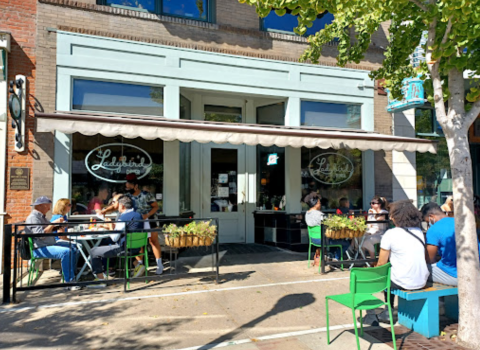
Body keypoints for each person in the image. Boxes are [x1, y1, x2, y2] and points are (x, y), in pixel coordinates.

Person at [374, 199, 429, 324]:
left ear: (395, 217)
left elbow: (381, 263)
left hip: (402, 282)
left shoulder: (391, 234)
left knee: (386, 273)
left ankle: (388, 311)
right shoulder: (419, 232)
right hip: (421, 280)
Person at [25, 196, 80, 291]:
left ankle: (69, 275)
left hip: (48, 244)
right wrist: (53, 223)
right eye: (48, 206)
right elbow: (41, 235)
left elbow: (48, 230)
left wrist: (57, 226)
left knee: (73, 247)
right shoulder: (33, 218)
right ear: (41, 206)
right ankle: (69, 282)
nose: (49, 209)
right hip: (40, 248)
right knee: (66, 252)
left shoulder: (41, 217)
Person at [89, 196, 144, 287]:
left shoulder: (124, 217)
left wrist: (110, 225)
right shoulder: (138, 215)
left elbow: (114, 238)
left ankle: (100, 280)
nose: (117, 208)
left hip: (124, 248)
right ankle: (138, 265)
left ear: (122, 206)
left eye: (118, 206)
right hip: (136, 248)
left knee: (94, 251)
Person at [420, 202, 473, 286]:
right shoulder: (461, 222)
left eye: (427, 222)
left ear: (431, 216)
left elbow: (429, 259)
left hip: (456, 276)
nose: (428, 224)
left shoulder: (434, 229)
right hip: (474, 272)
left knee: (421, 270)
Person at [125, 174, 164, 276]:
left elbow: (155, 207)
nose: (127, 187)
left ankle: (159, 264)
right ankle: (140, 266)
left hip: (150, 219)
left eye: (129, 186)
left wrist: (147, 215)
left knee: (153, 241)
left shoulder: (146, 195)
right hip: (137, 221)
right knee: (139, 243)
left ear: (135, 185)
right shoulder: (127, 196)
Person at [304, 192, 350, 264]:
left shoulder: (307, 214)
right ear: (315, 204)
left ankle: (330, 256)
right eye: (319, 203)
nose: (320, 204)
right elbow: (329, 224)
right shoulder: (319, 214)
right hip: (322, 240)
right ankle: (335, 259)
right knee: (346, 243)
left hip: (313, 239)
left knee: (334, 239)